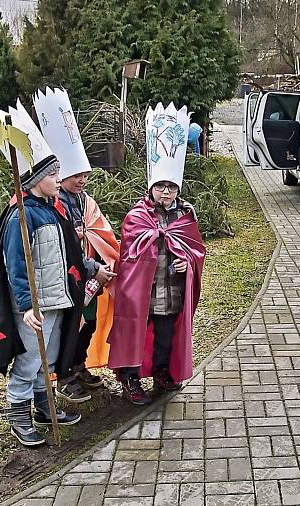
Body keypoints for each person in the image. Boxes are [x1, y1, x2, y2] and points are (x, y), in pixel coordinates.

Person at [0, 101, 85, 447]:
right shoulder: (21, 218)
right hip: (34, 309)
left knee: (48, 360)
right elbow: (16, 266)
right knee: (29, 362)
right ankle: (18, 416)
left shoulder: (48, 211)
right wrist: (28, 305)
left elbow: (62, 257)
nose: (60, 180)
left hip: (55, 301)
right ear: (38, 178)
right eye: (55, 174)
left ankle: (44, 407)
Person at [107, 103, 206, 406]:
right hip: (142, 293)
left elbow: (195, 250)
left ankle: (162, 370)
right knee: (135, 334)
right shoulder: (137, 216)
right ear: (151, 187)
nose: (165, 192)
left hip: (171, 292)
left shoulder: (185, 217)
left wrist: (186, 262)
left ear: (178, 189)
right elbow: (130, 253)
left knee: (165, 336)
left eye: (171, 187)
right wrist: (154, 243)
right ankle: (130, 377)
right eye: (160, 186)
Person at [34, 87, 120, 403]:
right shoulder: (53, 203)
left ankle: (80, 364)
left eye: (84, 174)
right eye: (74, 174)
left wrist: (102, 259)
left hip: (92, 275)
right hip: (70, 276)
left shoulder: (85, 200)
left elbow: (100, 231)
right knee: (70, 325)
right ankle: (65, 374)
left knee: (90, 321)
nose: (81, 179)